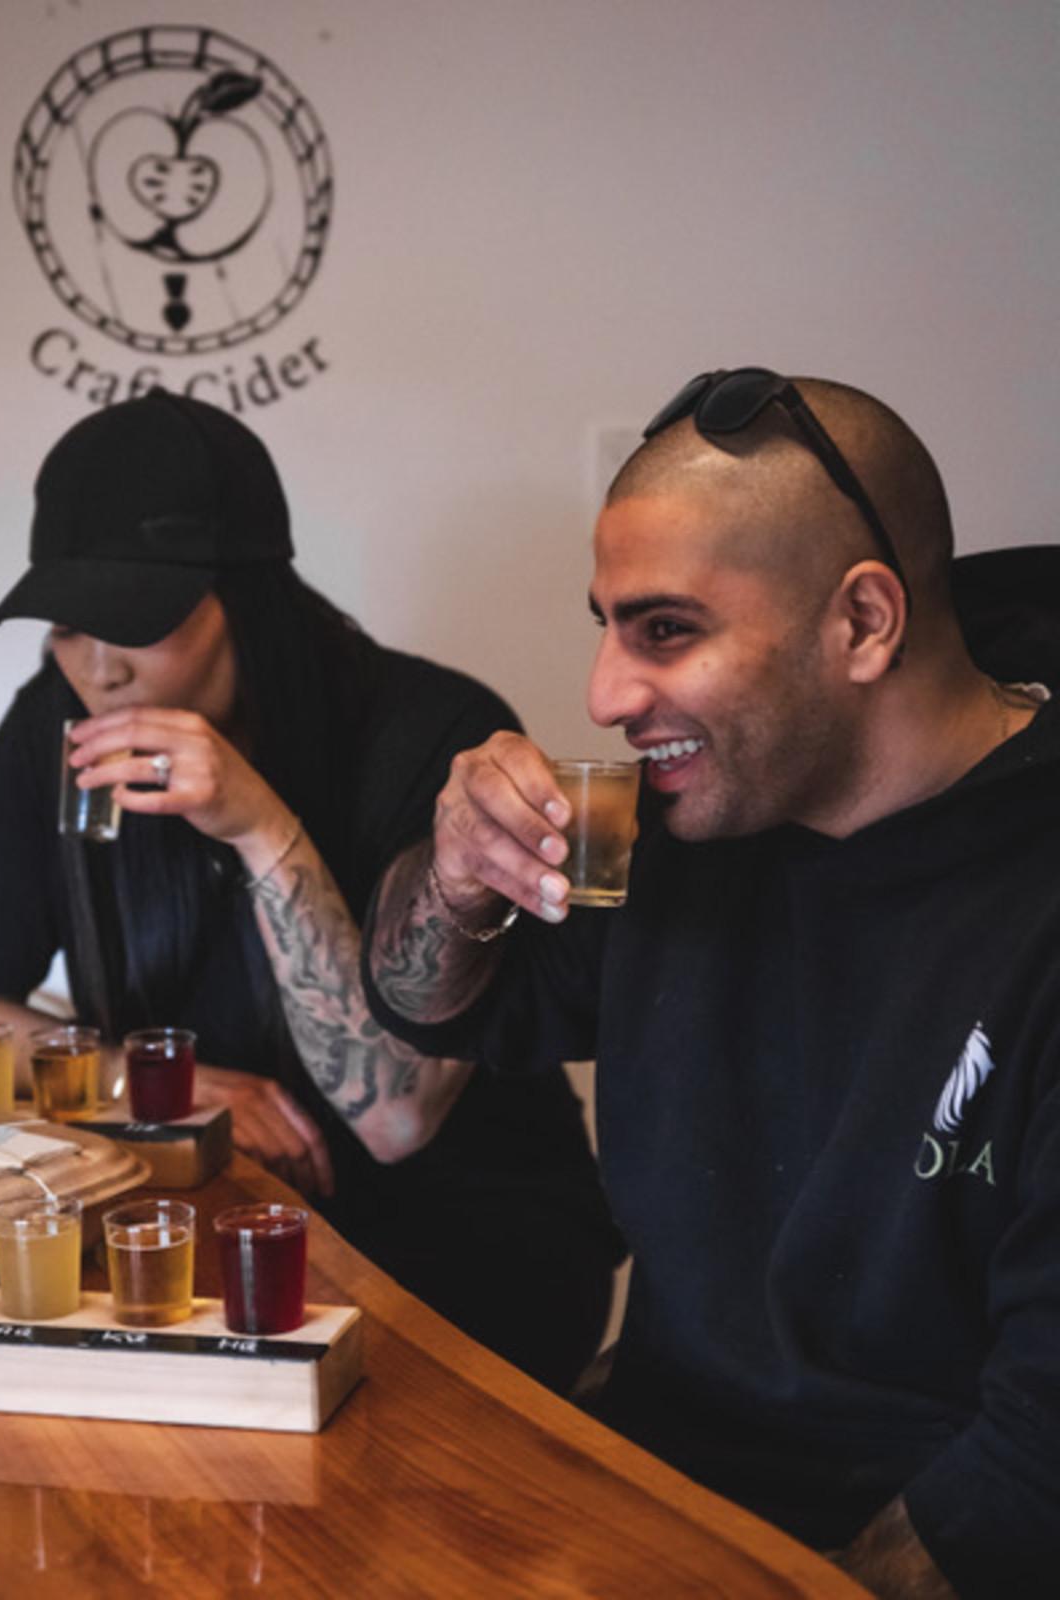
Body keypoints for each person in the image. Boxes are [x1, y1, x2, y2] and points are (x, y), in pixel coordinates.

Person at [363, 367, 1060, 1599]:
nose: (603, 695)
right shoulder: (688, 822)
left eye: (665, 630)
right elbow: (433, 1003)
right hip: (649, 1484)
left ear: (862, 622)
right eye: (605, 625)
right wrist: (456, 879)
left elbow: (1029, 1473)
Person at [0, 388, 623, 1394]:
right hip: (203, 1230)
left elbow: (397, 1118)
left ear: (251, 600)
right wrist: (148, 1081)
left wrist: (257, 823)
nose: (98, 668)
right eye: (64, 623)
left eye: (136, 622)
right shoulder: (56, 723)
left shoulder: (433, 732)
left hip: (466, 1251)